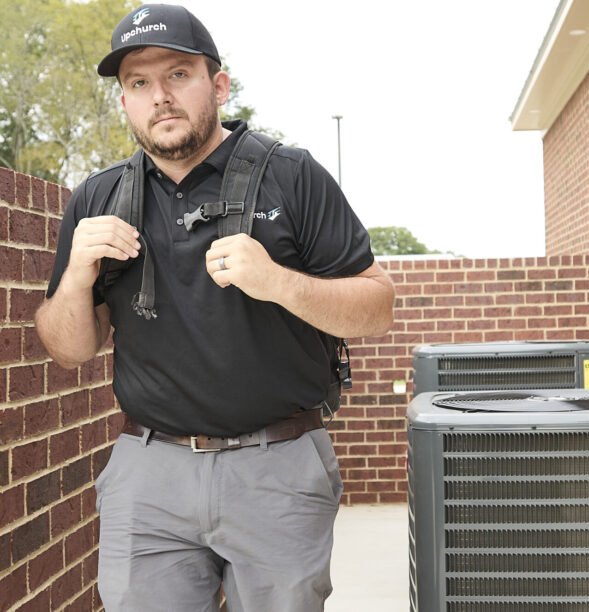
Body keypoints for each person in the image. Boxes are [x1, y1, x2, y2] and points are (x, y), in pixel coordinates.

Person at [34, 4, 395, 610]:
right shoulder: (98, 197)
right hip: (149, 474)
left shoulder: (291, 175)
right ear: (124, 100)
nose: (160, 98)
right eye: (138, 84)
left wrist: (278, 282)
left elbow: (377, 306)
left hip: (277, 467)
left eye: (178, 75)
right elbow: (69, 349)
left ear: (218, 84)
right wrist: (75, 276)